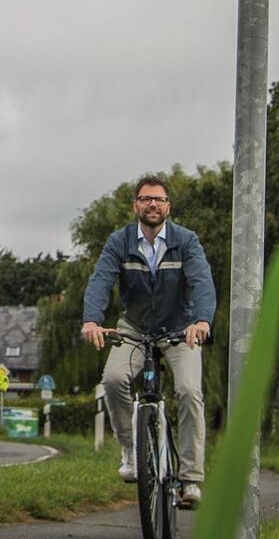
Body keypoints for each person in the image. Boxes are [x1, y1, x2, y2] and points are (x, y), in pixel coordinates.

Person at [80, 174, 215, 508]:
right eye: (146, 199)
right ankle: (131, 450)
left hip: (180, 330)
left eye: (159, 199)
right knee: (113, 379)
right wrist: (91, 320)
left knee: (189, 391)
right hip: (135, 328)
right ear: (135, 206)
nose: (153, 204)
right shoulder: (120, 241)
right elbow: (101, 281)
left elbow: (201, 281)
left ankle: (191, 479)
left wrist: (202, 321)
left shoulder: (186, 241)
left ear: (168, 206)